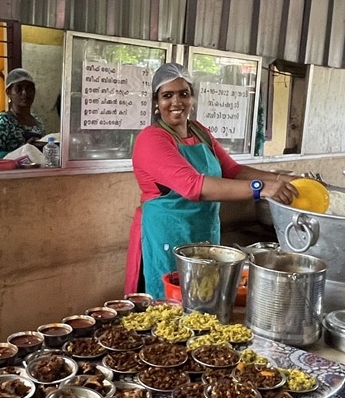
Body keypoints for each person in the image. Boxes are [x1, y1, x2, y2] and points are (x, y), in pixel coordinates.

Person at [126, 63, 297, 298]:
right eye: (167, 95)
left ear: (192, 98)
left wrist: (282, 178)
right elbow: (192, 186)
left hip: (202, 232)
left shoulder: (199, 132)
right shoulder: (151, 139)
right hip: (165, 236)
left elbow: (232, 170)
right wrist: (261, 188)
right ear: (157, 101)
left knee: (204, 301)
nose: (176, 102)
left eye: (183, 94)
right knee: (170, 309)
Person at [0, 68, 46, 158]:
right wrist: (23, 150)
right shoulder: (1, 121)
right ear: (8, 92)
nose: (25, 93)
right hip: (12, 171)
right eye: (19, 89)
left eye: (29, 88)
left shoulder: (38, 122)